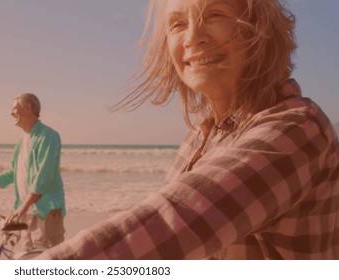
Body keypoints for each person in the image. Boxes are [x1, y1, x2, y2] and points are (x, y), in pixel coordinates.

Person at [37, 0, 339, 259]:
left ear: (258, 28)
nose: (193, 38)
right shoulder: (200, 134)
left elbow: (175, 222)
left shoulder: (297, 127)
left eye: (215, 14)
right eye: (178, 24)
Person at [0, 93, 66, 251]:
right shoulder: (22, 140)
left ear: (28, 108)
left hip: (46, 212)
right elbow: (14, 171)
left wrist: (22, 207)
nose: (11, 113)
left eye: (14, 109)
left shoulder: (48, 137)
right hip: (27, 212)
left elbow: (42, 178)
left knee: (50, 262)